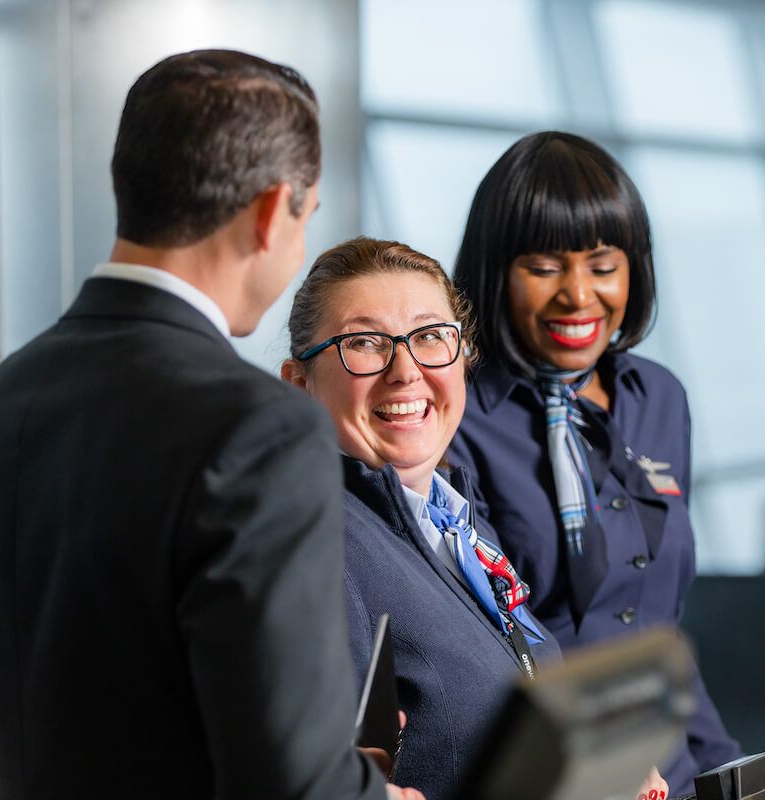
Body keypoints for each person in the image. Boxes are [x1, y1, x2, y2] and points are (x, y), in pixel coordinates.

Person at [0, 50, 419, 800]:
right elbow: (290, 780)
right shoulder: (261, 429)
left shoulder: (5, 394)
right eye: (304, 220)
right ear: (268, 211)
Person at [281, 237, 668, 800]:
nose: (406, 370)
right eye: (364, 343)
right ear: (299, 386)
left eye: (431, 336)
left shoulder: (454, 524)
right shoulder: (317, 547)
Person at [447, 131, 741, 794]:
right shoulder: (457, 419)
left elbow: (657, 631)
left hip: (669, 775)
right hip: (542, 774)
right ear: (497, 271)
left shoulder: (659, 397)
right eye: (545, 266)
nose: (579, 296)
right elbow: (479, 648)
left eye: (603, 266)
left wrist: (727, 768)